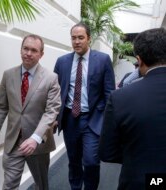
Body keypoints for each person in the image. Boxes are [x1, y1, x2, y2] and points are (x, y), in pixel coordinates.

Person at [0, 34, 61, 190]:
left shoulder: (51, 78)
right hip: (14, 141)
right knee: (9, 185)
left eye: (34, 50)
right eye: (25, 48)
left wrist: (35, 137)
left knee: (41, 185)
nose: (28, 53)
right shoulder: (8, 75)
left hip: (38, 143)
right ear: (21, 50)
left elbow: (51, 111)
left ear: (41, 54)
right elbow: (2, 107)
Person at [99, 27, 166, 190]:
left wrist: (135, 154)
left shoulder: (119, 97)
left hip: (138, 181)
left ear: (139, 60)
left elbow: (107, 152)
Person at [54, 22, 116, 190]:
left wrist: (106, 119)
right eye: (73, 38)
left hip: (93, 119)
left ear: (89, 38)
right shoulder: (62, 62)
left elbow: (109, 92)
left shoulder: (103, 60)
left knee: (90, 161)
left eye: (81, 38)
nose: (77, 42)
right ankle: (75, 187)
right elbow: (55, 92)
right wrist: (54, 117)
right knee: (73, 160)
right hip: (70, 119)